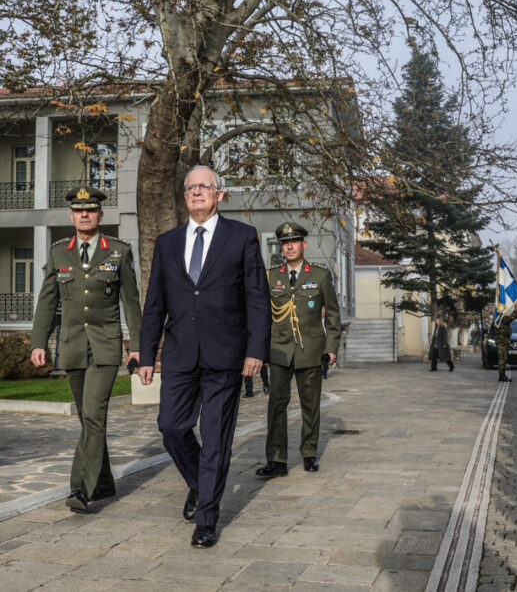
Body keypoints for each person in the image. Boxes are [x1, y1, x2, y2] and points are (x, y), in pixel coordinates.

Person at [138, 166, 270, 549]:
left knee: (215, 439)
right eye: (191, 188)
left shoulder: (241, 237)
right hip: (179, 353)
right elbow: (154, 304)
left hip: (225, 355)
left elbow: (257, 298)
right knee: (172, 427)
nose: (197, 192)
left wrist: (256, 350)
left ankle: (207, 518)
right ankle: (200, 484)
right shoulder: (167, 243)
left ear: (219, 195)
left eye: (204, 187)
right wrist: (148, 354)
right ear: (185, 197)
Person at [30, 185, 141, 514]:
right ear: (72, 216)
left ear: (100, 215)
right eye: (79, 211)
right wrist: (38, 343)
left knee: (94, 415)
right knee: (87, 419)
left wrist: (136, 346)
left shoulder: (119, 251)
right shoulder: (58, 252)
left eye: (90, 210)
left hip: (106, 348)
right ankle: (104, 481)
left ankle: (80, 488)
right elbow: (47, 301)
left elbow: (132, 305)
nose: (84, 215)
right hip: (73, 348)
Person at [256, 221, 341, 478]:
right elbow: (262, 316)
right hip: (280, 349)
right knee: (276, 404)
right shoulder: (271, 277)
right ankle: (277, 460)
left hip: (311, 350)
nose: (289, 246)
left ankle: (309, 453)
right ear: (281, 246)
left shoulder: (320, 276)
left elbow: (334, 316)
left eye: (294, 242)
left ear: (304, 244)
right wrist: (261, 350)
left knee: (310, 405)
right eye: (285, 242)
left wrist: (332, 347)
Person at [495, 302, 517, 382]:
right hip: (501, 340)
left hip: (504, 340)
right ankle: (501, 376)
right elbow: (510, 319)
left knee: (504, 359)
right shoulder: (501, 317)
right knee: (502, 358)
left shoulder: (500, 316)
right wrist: (516, 310)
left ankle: (502, 375)